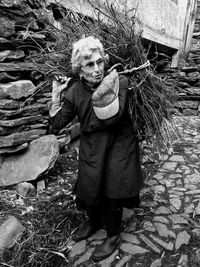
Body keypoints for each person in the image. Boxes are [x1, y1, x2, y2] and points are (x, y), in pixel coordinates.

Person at [49, 36, 143, 261]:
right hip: (93, 144)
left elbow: (113, 116)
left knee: (114, 185)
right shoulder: (74, 92)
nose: (97, 69)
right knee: (91, 183)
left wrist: (86, 122)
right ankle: (93, 222)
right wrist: (56, 94)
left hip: (119, 141)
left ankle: (112, 236)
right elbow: (57, 124)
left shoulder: (119, 80)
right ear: (79, 70)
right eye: (89, 65)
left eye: (100, 62)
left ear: (105, 61)